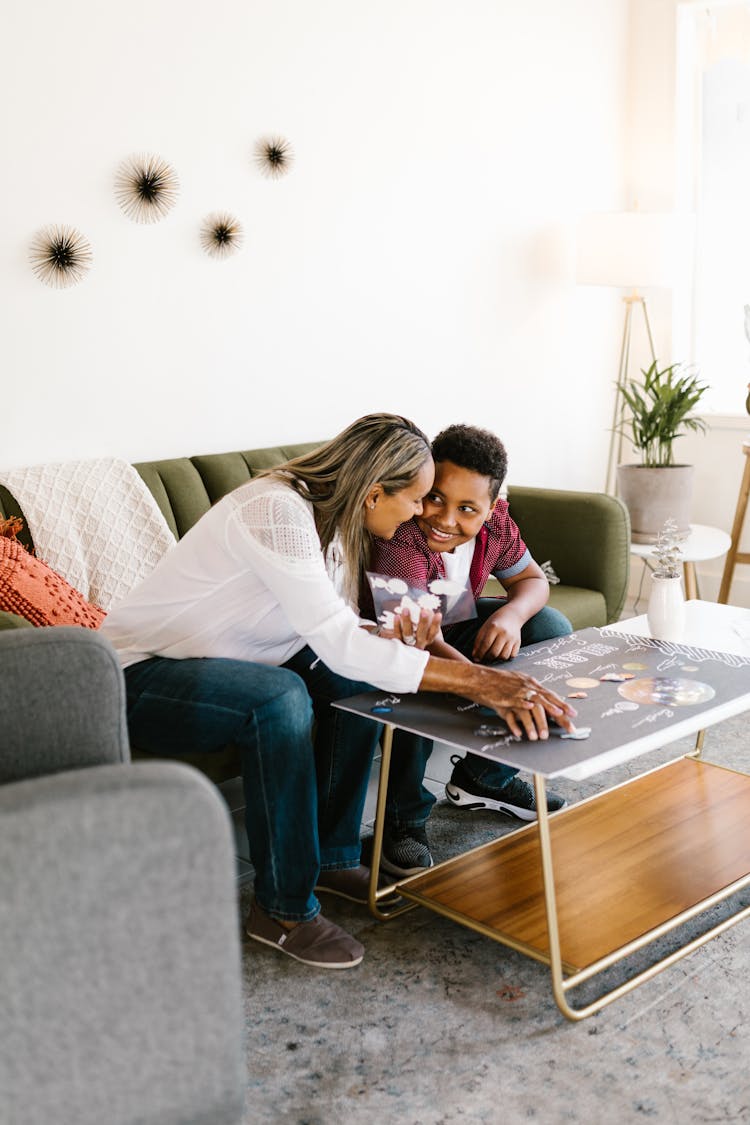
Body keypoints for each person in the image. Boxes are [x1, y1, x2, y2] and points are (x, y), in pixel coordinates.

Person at [102, 414, 575, 971]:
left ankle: (332, 857)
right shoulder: (277, 511)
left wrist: (394, 638)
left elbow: (344, 630)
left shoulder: (339, 525)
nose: (420, 515)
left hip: (244, 654)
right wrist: (481, 681)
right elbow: (336, 639)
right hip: (140, 671)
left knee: (357, 675)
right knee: (277, 700)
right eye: (418, 499)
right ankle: (281, 910)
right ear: (376, 493)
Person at [369, 423, 574, 877]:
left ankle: (484, 778)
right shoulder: (405, 534)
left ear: (493, 508)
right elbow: (416, 638)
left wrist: (510, 615)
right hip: (395, 639)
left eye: (467, 508)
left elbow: (533, 581)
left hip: (452, 620)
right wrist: (486, 684)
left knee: (551, 626)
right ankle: (402, 820)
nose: (445, 519)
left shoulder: (496, 526)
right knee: (414, 681)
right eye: (436, 497)